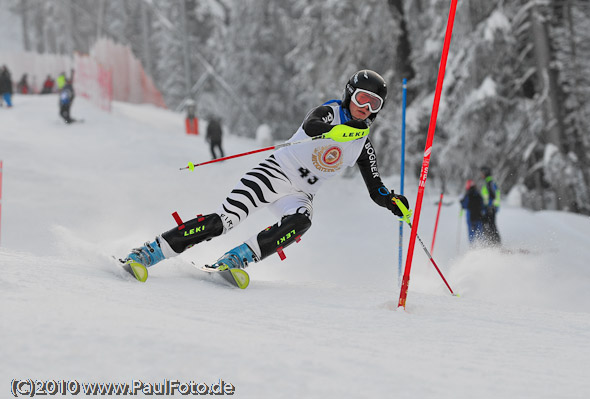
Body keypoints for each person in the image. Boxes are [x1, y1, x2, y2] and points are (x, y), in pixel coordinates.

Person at [122, 69, 410, 278]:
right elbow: (312, 126)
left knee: (302, 221)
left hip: (300, 194)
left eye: (374, 104)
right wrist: (336, 132)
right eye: (362, 98)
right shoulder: (330, 111)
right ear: (349, 94)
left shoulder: (363, 146)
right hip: (274, 173)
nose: (365, 108)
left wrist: (392, 201)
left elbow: (376, 188)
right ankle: (150, 252)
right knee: (223, 222)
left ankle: (236, 259)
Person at [480, 166, 501, 245]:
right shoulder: (488, 182)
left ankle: (496, 244)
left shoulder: (489, 182)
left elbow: (493, 195)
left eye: (482, 173)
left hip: (491, 208)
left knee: (491, 226)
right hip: (490, 208)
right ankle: (493, 243)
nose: (481, 174)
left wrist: (489, 206)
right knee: (489, 226)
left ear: (485, 173)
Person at [460, 179, 484, 244]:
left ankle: (472, 248)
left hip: (470, 218)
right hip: (479, 217)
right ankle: (483, 247)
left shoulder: (468, 195)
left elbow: (465, 205)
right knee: (480, 234)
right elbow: (482, 205)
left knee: (471, 234)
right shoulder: (478, 194)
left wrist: (461, 202)